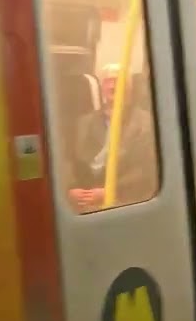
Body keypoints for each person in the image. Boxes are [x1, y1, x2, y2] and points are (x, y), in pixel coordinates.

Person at [67, 63, 157, 213]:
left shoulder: (145, 123)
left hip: (126, 202)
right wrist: (71, 188)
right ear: (102, 88)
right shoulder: (84, 122)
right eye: (108, 81)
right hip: (83, 203)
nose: (112, 86)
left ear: (129, 88)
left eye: (117, 81)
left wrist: (110, 191)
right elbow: (68, 159)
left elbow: (146, 169)